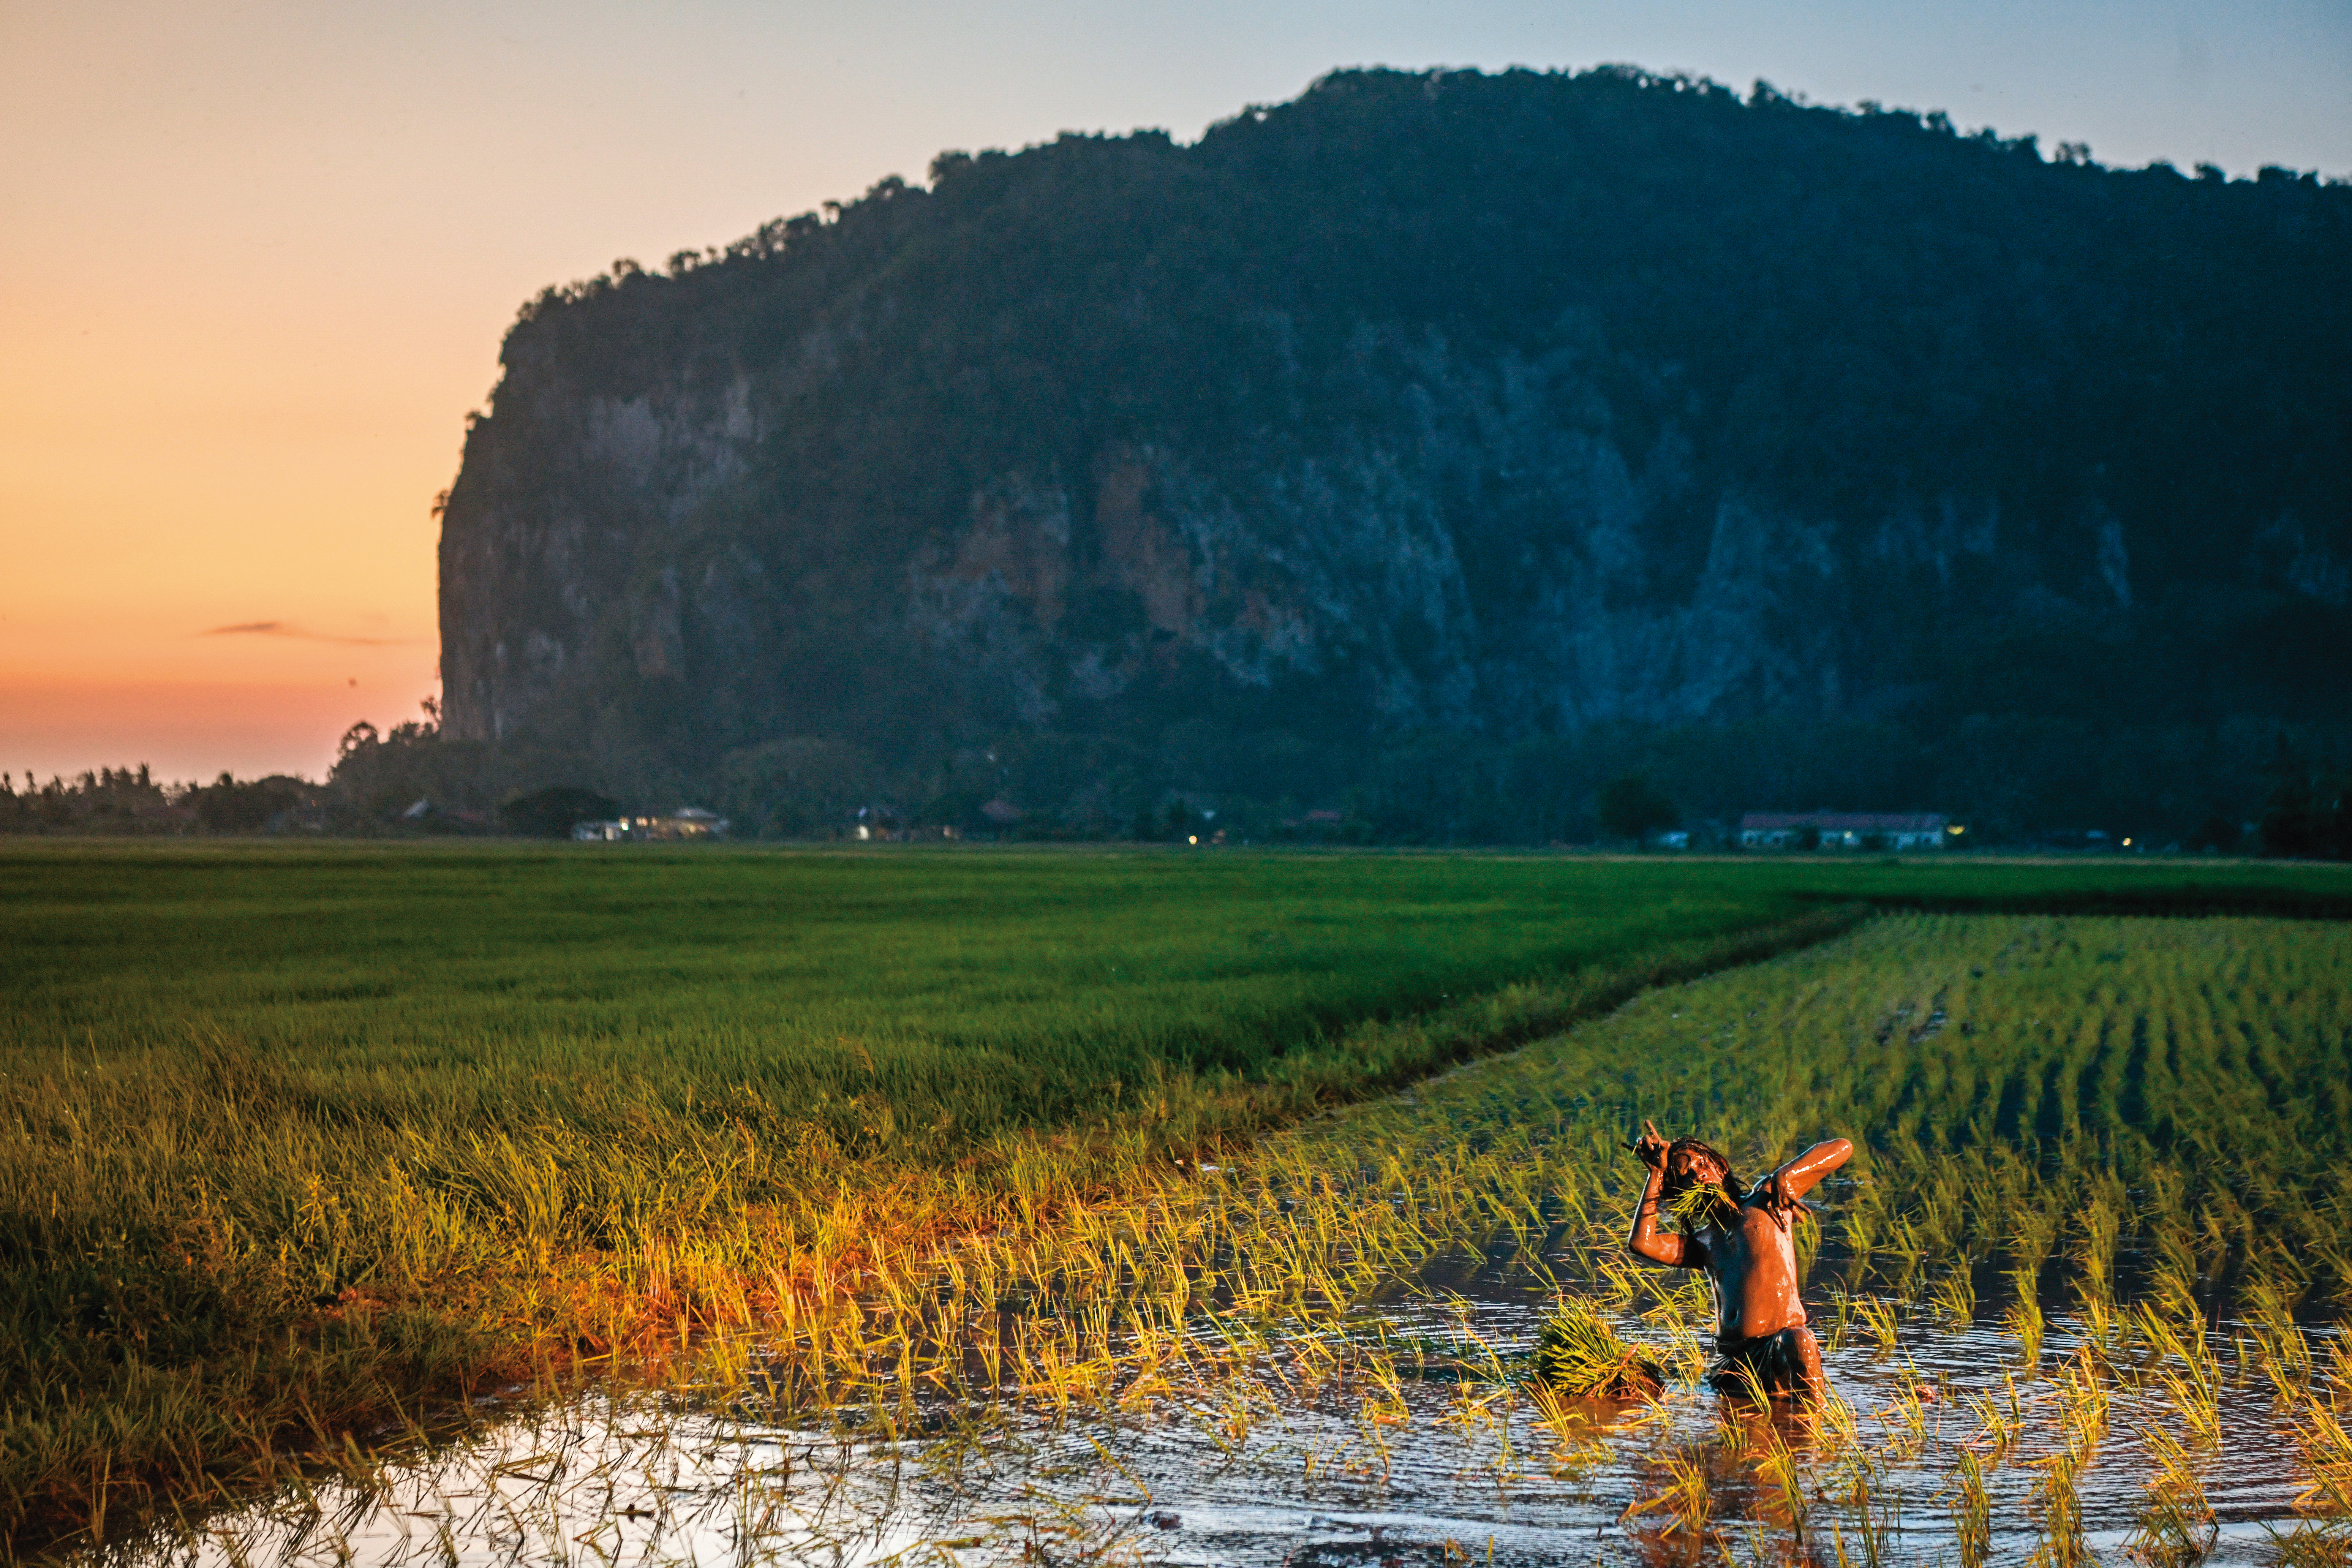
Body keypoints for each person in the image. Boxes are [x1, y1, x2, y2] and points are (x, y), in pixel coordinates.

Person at [1625, 1119, 1853, 1397]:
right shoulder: (1703, 1242)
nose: (1697, 1176)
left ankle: (1814, 1424)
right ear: (1680, 1195)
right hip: (1732, 1360)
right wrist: (1656, 1174)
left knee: (1800, 1341)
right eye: (1685, 1176)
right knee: (1741, 1431)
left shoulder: (1765, 1200)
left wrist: (1787, 1174)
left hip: (1779, 1347)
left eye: (1701, 1165)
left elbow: (1843, 1147)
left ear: (1720, 1167)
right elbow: (1641, 1243)